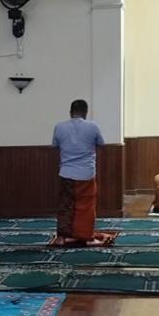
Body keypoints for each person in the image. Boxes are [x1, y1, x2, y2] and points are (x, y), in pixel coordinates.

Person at [52, 99, 105, 245]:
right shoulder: (92, 126)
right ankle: (86, 237)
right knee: (86, 206)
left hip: (66, 172)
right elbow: (101, 143)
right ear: (85, 113)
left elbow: (55, 145)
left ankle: (62, 237)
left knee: (66, 205)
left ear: (70, 112)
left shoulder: (59, 127)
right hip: (86, 173)